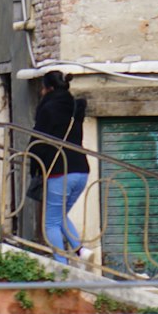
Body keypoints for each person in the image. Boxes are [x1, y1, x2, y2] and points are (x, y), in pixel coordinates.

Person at [30, 71, 90, 262]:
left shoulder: (48, 108)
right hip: (81, 170)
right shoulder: (74, 107)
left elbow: (38, 141)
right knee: (60, 215)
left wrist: (35, 167)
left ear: (50, 88)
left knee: (50, 223)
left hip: (60, 171)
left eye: (42, 87)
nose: (41, 92)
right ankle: (81, 250)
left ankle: (61, 265)